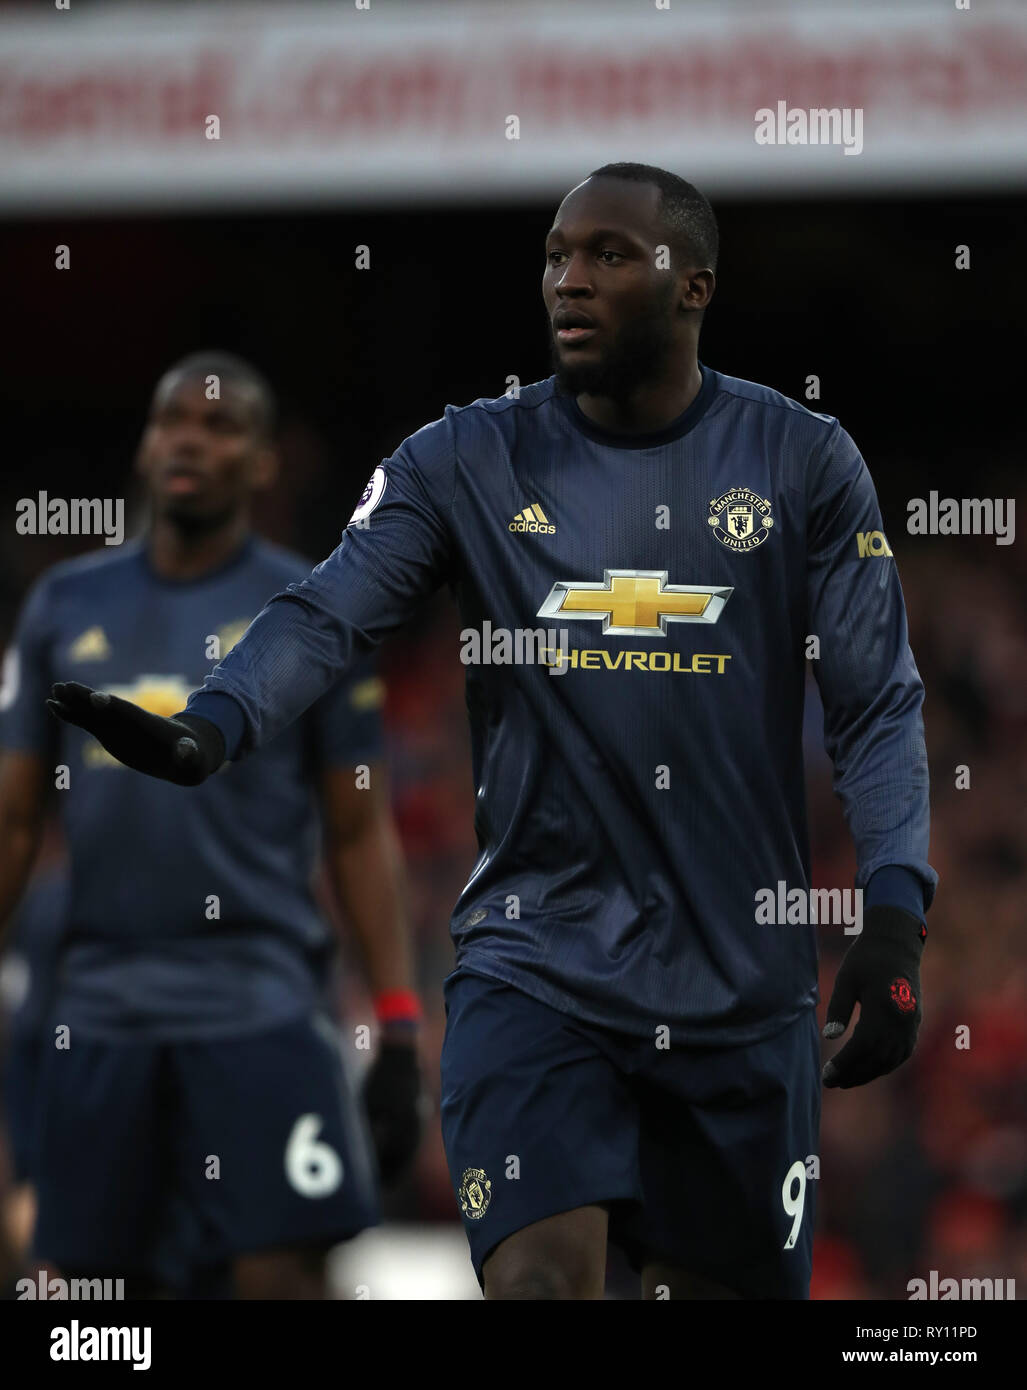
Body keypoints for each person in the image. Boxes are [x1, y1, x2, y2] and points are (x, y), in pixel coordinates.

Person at [47, 166, 937, 1300]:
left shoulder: (804, 461)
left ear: (693, 286)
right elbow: (328, 610)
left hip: (740, 1003)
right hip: (536, 973)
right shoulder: (463, 459)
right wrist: (212, 724)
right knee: (537, 1288)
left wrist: (896, 917)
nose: (569, 280)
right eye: (557, 255)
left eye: (610, 256)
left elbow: (875, 705)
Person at [1, 351, 422, 1298]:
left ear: (265, 463)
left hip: (261, 1004)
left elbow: (358, 831)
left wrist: (397, 1023)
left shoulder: (314, 610)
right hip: (100, 1009)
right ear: (148, 444)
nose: (190, 437)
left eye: (220, 425)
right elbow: (15, 822)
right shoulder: (64, 606)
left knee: (282, 1277)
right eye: (171, 419)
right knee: (90, 1302)